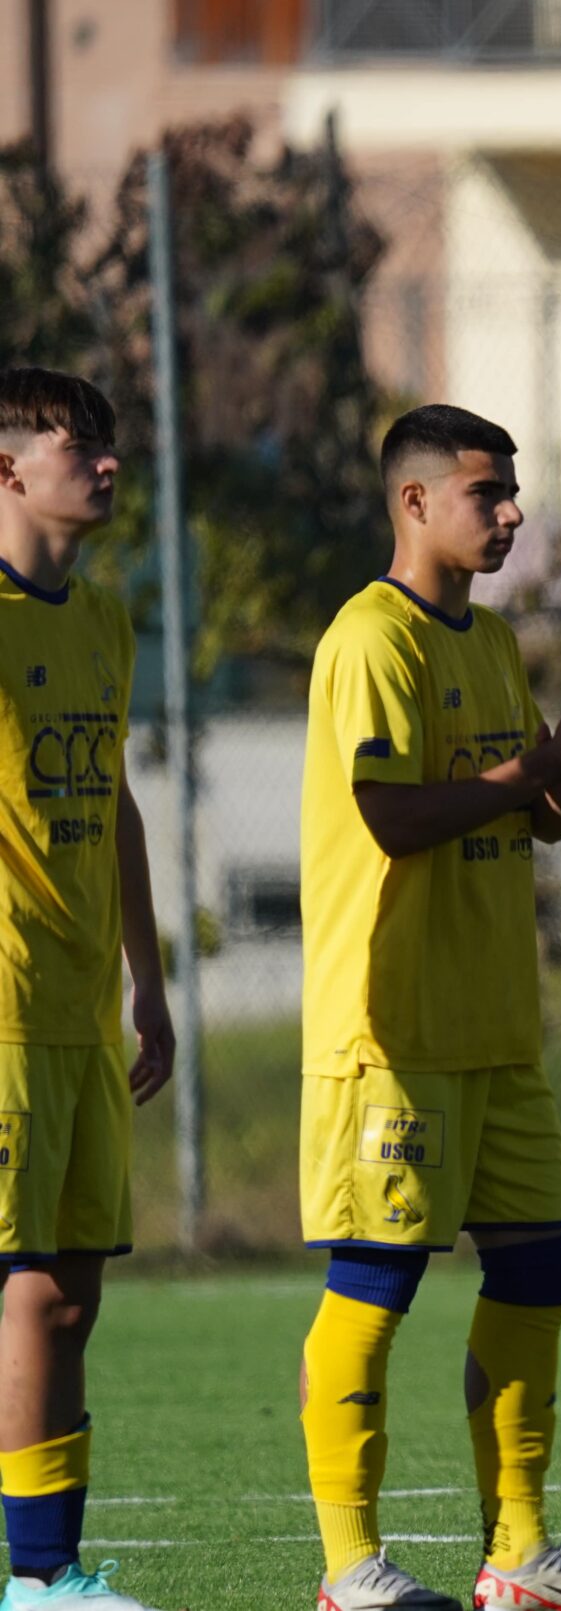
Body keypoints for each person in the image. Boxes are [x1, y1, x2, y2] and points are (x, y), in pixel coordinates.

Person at [297, 405, 561, 1611]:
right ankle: (349, 1567)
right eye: (485, 494)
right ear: (413, 503)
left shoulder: (492, 645)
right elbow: (392, 815)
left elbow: (516, 811)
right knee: (377, 1283)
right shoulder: (369, 640)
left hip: (498, 1026)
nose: (509, 514)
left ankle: (517, 1554)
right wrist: (530, 775)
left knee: (538, 1271)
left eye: (512, 495)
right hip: (392, 1030)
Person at [0, 369, 174, 1611]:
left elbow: (111, 804)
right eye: (79, 443)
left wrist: (147, 981)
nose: (107, 462)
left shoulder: (106, 620)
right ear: (8, 469)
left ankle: (51, 1570)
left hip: (78, 1009)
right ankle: (35, 1577)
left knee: (68, 1299)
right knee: (17, 1285)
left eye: (111, 443)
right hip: (0, 1011)